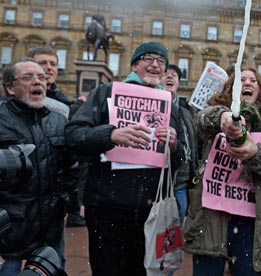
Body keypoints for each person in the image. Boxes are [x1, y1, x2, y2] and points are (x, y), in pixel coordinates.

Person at [65, 41, 185, 276]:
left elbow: (180, 160)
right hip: (106, 207)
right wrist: (110, 134)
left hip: (150, 212)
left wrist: (174, 146)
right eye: (148, 58)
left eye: (161, 61)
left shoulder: (171, 105)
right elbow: (74, 135)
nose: (155, 64)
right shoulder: (106, 92)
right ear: (134, 65)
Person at [184, 68, 261, 275]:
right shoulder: (216, 113)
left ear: (260, 90)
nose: (248, 83)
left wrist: (255, 152)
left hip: (251, 223)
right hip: (211, 217)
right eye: (242, 80)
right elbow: (203, 118)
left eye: (253, 80)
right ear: (232, 88)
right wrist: (223, 117)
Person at [0, 57, 78, 275]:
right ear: (10, 87)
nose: (38, 82)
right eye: (28, 77)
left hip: (49, 231)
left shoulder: (58, 120)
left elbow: (70, 166)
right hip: (9, 234)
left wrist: (67, 202)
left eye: (41, 78)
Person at [27, 46, 85, 228]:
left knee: (52, 254)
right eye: (42, 63)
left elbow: (73, 154)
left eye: (53, 63)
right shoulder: (12, 102)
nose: (49, 67)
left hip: (53, 194)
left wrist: (70, 198)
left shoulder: (68, 105)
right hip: (20, 190)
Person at [160, 64, 199, 226]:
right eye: (166, 74)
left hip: (181, 182)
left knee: (176, 230)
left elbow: (194, 140)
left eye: (174, 75)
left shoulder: (186, 111)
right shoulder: (153, 106)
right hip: (160, 181)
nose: (170, 77)